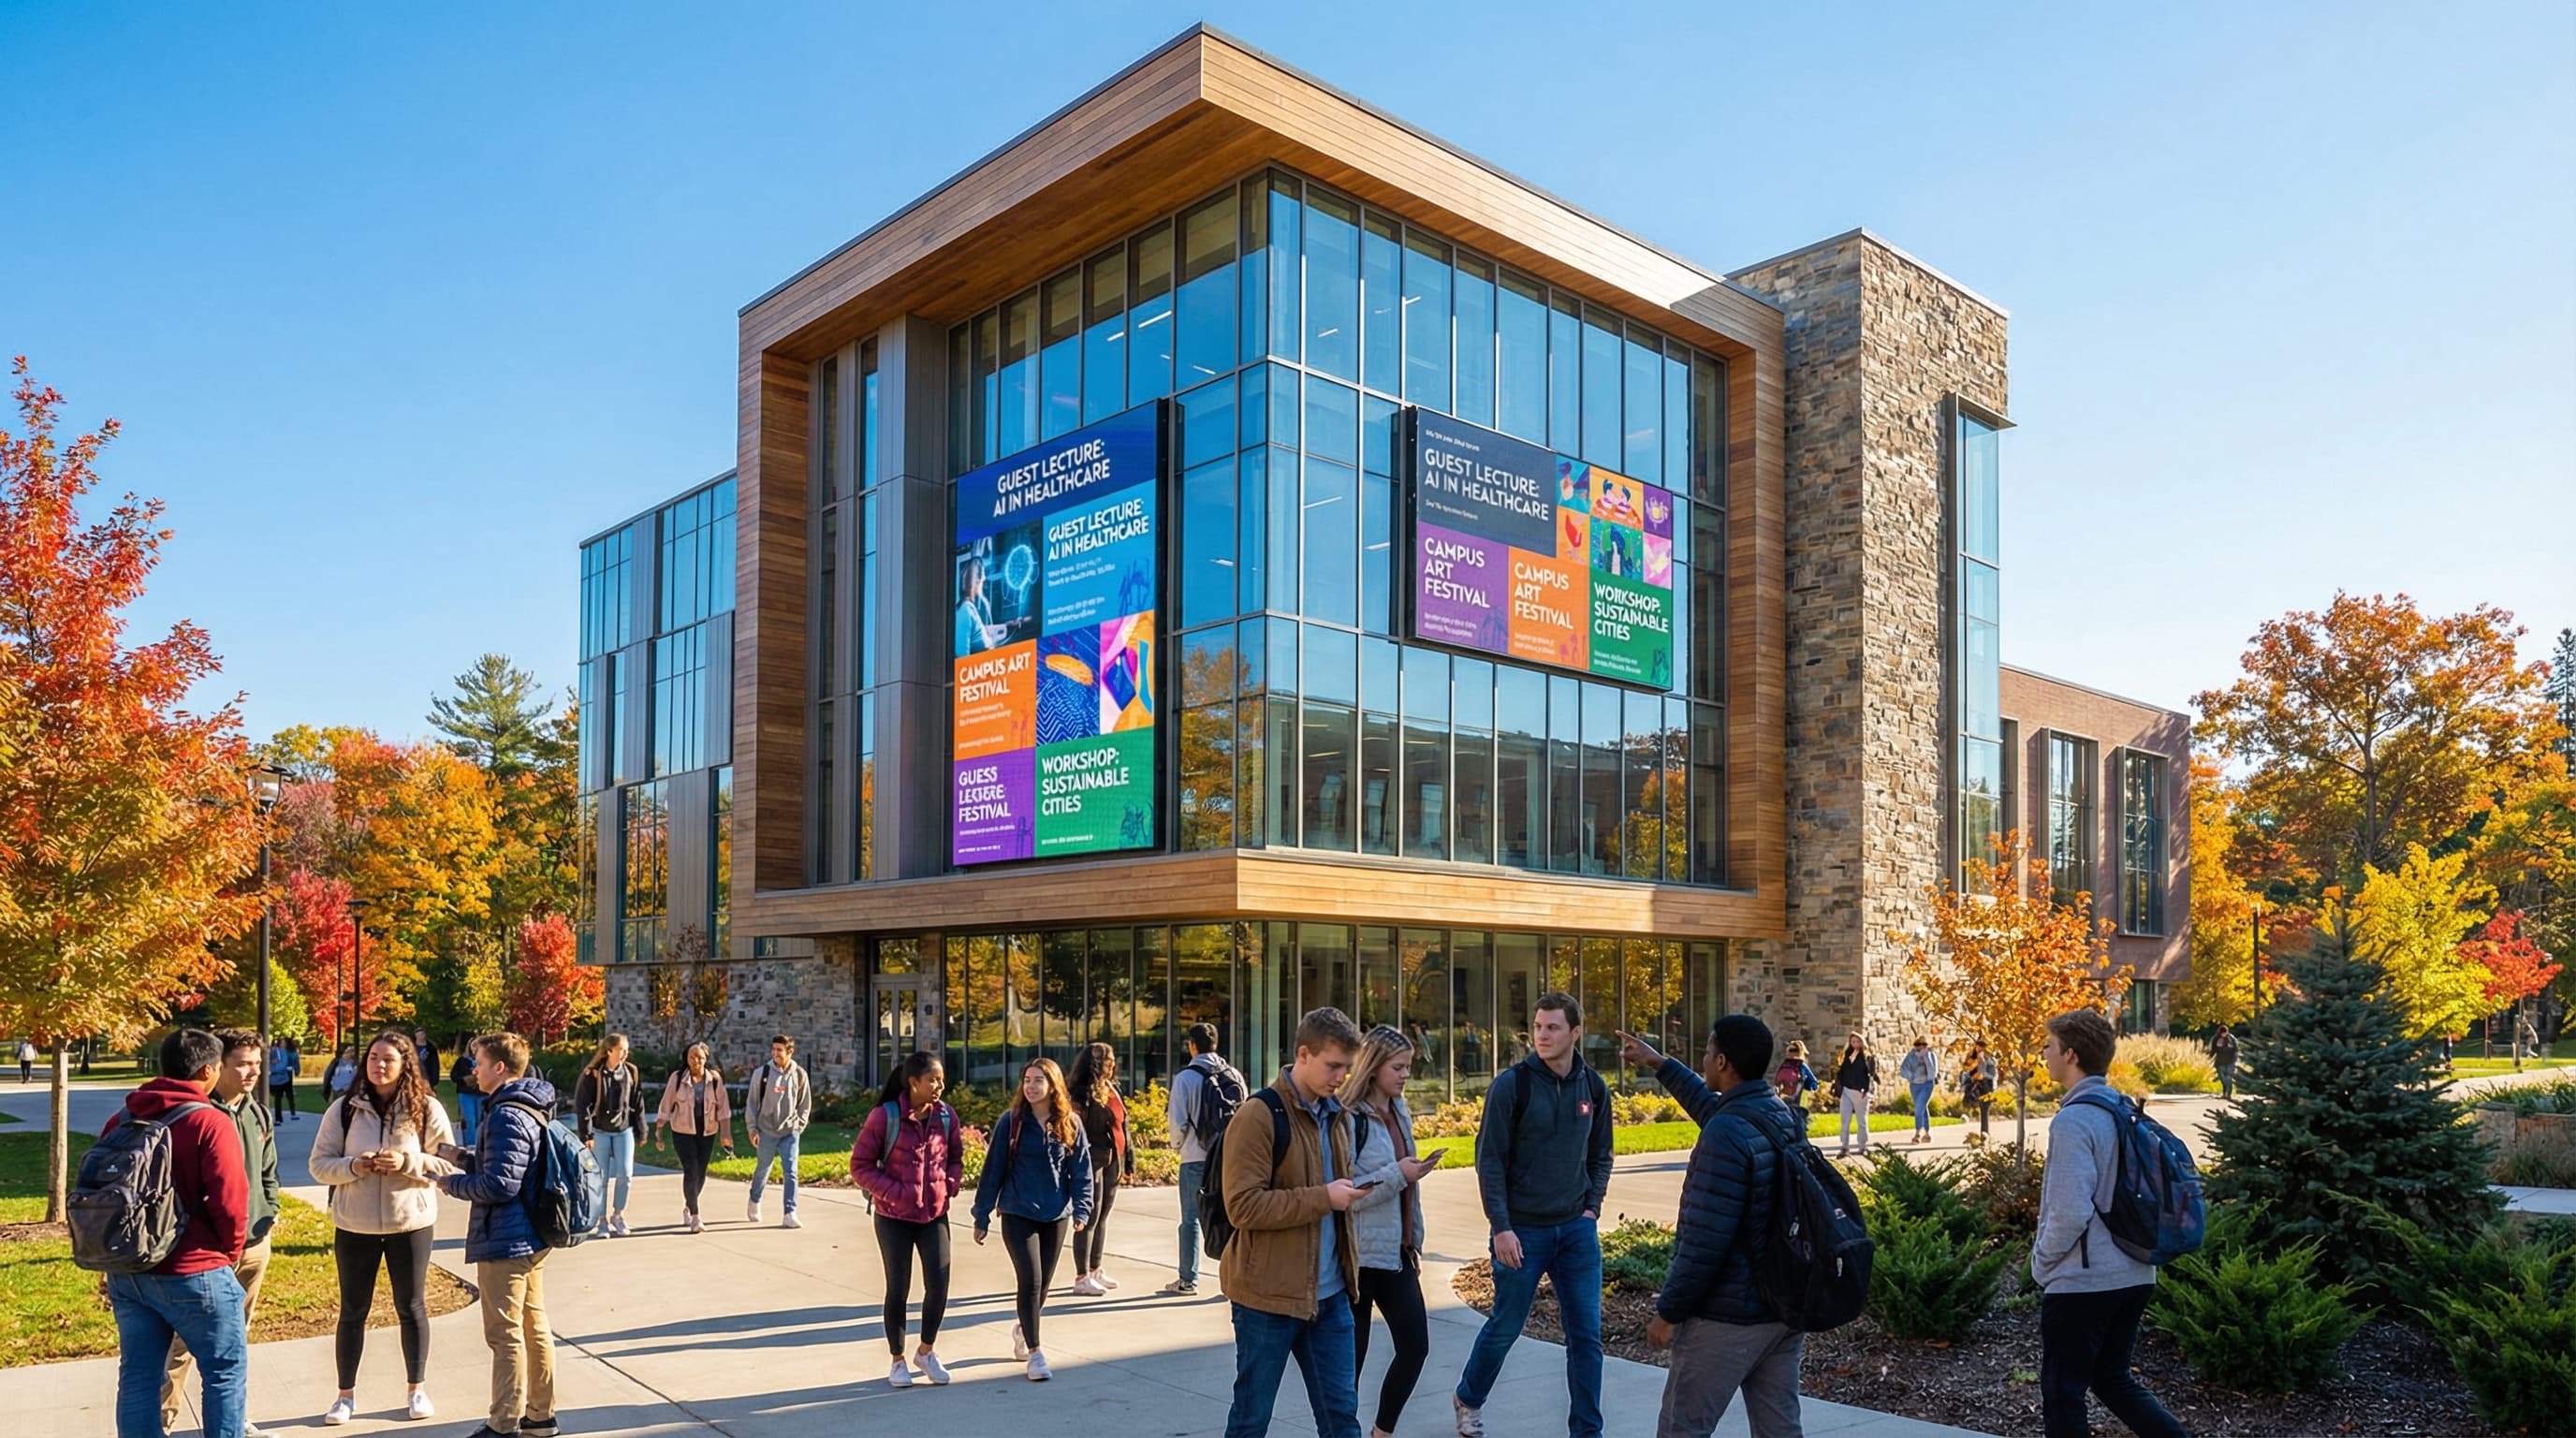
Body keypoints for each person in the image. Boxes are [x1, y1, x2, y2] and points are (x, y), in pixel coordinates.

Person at [1617, 1019, 1807, 1438]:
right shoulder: (1777, 1114)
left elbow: (1704, 1242)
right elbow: (1713, 1110)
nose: (1703, 1059)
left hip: (1729, 1316)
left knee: (1682, 1429)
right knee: (1779, 1430)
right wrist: (1660, 1063)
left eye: (1707, 1052)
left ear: (1722, 1062)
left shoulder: (1726, 1134)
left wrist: (1668, 1313)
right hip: (1782, 1308)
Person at [1455, 992, 1615, 1438]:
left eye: (1553, 1028)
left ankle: (1587, 1431)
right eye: (1538, 1027)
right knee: (1506, 1325)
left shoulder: (1593, 1087)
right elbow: (1489, 1161)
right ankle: (1468, 1397)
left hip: (1576, 1231)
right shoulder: (1513, 1085)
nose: (1542, 1035)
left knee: (1586, 1337)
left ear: (1575, 1032)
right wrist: (1501, 1227)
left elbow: (1601, 1154)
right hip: (1523, 1231)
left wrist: (1592, 1209)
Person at [2033, 1010, 2190, 1438]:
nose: (2044, 1054)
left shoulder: (2074, 1120)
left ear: (2070, 1054)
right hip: (2135, 1272)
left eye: (2049, 1046)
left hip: (2083, 1282)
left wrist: (2042, 1265)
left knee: (2063, 1393)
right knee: (2112, 1379)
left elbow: (2069, 1211)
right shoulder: (2122, 1108)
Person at [1221, 1006, 1366, 1438]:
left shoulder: (1336, 1115)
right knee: (1251, 1420)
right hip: (1267, 1299)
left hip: (1331, 1296)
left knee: (1342, 1420)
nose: (1341, 1077)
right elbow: (1242, 1207)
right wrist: (1324, 1198)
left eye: (1346, 1067)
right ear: (1303, 1054)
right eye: (1332, 1065)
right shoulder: (1260, 1114)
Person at [103, 1029, 250, 1438]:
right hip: (194, 1267)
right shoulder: (209, 1121)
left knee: (138, 1377)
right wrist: (229, 1253)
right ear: (207, 1071)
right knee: (223, 1371)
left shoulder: (122, 1119)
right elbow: (230, 1201)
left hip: (130, 1270)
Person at [310, 1028, 457, 1424]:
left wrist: (408, 1163)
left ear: (405, 1064)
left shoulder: (426, 1108)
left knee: (411, 1307)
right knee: (352, 1310)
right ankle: (344, 1396)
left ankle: (416, 1389)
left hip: (410, 1223)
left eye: (388, 1059)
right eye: (373, 1057)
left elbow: (449, 1165)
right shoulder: (344, 1109)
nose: (379, 1065)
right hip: (354, 1225)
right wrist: (354, 1166)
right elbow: (319, 1165)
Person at [435, 1032, 562, 1438]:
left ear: (500, 1067)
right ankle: (540, 1417)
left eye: (480, 1062)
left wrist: (450, 1183)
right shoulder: (527, 1106)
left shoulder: (506, 1114)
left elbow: (500, 1186)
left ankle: (503, 1424)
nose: (474, 1070)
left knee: (504, 1334)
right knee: (532, 1325)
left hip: (507, 1239)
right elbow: (508, 1167)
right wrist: (460, 1158)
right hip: (530, 1235)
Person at [159, 1030, 282, 1438]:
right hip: (205, 1254)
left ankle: (233, 1420)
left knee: (235, 1343)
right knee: (179, 1344)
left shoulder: (258, 1113)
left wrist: (270, 1210)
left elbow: (268, 1172)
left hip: (253, 1245)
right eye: (242, 1064)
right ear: (215, 1067)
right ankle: (162, 1422)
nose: (253, 1072)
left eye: (257, 1063)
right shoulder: (195, 1113)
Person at [1342, 1025, 1444, 1438]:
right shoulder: (1350, 1118)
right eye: (1398, 1067)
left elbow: (1408, 1189)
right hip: (1359, 1258)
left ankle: (1381, 1432)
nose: (1405, 1075)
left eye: (1408, 1067)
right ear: (1373, 1066)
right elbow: (1347, 1193)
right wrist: (1399, 1174)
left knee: (1415, 1347)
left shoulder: (1400, 1112)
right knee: (1350, 1363)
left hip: (1397, 1254)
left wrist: (1414, 1240)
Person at [971, 1057, 1094, 1382]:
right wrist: (981, 1214)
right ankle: (1036, 1353)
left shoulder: (1070, 1123)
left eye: (1039, 1080)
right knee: (1031, 1279)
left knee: (1044, 1284)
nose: (1031, 1086)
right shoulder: (1010, 1122)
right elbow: (993, 1170)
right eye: (1027, 1080)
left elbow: (1081, 1170)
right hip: (1017, 1210)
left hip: (1056, 1214)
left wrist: (1082, 1209)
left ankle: (1023, 1329)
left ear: (1053, 1086)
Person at [851, 1051, 965, 1389]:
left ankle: (926, 1352)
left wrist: (950, 1184)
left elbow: (956, 1157)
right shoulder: (885, 1116)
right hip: (894, 1217)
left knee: (939, 1285)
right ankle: (897, 1360)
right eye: (932, 1080)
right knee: (898, 1288)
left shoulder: (946, 1116)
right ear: (913, 1082)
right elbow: (860, 1165)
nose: (939, 1086)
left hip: (934, 1215)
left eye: (941, 1079)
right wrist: (895, 1193)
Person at [1164, 1021, 1244, 1296]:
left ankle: (1188, 1279)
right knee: (1232, 1215)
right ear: (1216, 1044)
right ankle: (1234, 1280)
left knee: (1191, 1219)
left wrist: (1178, 1145)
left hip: (1195, 1157)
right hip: (1229, 1156)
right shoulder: (1233, 1074)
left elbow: (1178, 1123)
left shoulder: (1185, 1078)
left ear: (1192, 1046)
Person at [1068, 1041, 1135, 1295]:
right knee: (1089, 1216)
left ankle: (1095, 1268)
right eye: (1108, 1061)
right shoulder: (1080, 1093)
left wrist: (1129, 1162)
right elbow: (1075, 1130)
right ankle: (1081, 1276)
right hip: (1092, 1161)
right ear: (1096, 1064)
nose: (1113, 1065)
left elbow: (1123, 1126)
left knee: (1103, 1215)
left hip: (1112, 1159)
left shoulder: (1111, 1088)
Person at [651, 1042, 734, 1232]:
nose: (696, 1061)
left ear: (706, 1059)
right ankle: (696, 1217)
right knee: (691, 1170)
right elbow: (666, 1105)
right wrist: (659, 1131)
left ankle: (689, 1205)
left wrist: (726, 1133)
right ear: (686, 1059)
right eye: (692, 1057)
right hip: (682, 1131)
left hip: (707, 1131)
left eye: (700, 1057)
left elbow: (723, 1108)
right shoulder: (677, 1078)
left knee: (701, 1173)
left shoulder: (714, 1079)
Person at [573, 1034, 646, 1238]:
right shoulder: (593, 1074)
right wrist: (586, 1134)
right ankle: (601, 1220)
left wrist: (642, 1129)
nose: (625, 1054)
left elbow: (637, 1101)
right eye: (621, 1050)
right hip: (600, 1131)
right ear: (609, 1050)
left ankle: (618, 1214)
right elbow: (582, 1106)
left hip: (624, 1130)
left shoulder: (631, 1071)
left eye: (626, 1050)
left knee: (625, 1173)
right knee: (601, 1177)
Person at [744, 1034, 812, 1228]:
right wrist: (752, 1128)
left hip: (790, 1131)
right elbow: (752, 1103)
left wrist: (799, 1125)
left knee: (791, 1171)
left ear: (790, 1052)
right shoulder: (761, 1074)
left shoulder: (799, 1074)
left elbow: (805, 1103)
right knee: (763, 1168)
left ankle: (790, 1212)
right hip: (766, 1130)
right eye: (773, 1049)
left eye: (779, 1050)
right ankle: (755, 1199)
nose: (775, 1053)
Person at [1830, 1033, 1881, 1158]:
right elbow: (1842, 1072)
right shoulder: (1847, 1055)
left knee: (1861, 1120)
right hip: (1847, 1091)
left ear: (1862, 1043)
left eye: (1858, 1042)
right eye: (1853, 1042)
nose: (1856, 1044)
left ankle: (1862, 1146)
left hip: (1861, 1092)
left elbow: (1870, 1075)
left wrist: (1865, 1089)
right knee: (1845, 1120)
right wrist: (1837, 1086)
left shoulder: (1868, 1057)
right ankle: (1844, 1147)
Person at [1900, 1036, 1941, 1145]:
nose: (1921, 1047)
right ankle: (1927, 1133)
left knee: (1919, 1108)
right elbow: (1903, 1069)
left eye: (1924, 1045)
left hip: (1927, 1084)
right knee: (1922, 1107)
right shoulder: (1911, 1055)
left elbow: (1933, 1072)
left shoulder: (1931, 1055)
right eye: (1918, 1045)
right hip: (1915, 1085)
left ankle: (1917, 1133)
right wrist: (1911, 1076)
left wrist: (1926, 1059)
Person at [1770, 1040, 1818, 1122]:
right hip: (1796, 1098)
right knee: (1798, 1118)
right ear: (1800, 1052)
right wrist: (1811, 1086)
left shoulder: (1784, 1064)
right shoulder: (1801, 1065)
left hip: (1783, 1097)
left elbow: (1777, 1081)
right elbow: (1813, 1081)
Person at [1961, 1043, 1998, 1142]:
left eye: (1980, 1048)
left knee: (1984, 1111)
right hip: (1979, 1087)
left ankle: (1984, 1135)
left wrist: (1982, 1070)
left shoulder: (1990, 1062)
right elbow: (1968, 1071)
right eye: (1977, 1048)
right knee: (1983, 1111)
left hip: (1988, 1088)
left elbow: (1992, 1075)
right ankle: (1984, 1135)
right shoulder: (1976, 1060)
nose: (1978, 1050)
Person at [452, 1047, 485, 1145]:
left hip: (482, 1093)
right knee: (470, 1120)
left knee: (481, 1120)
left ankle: (481, 1145)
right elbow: (454, 1076)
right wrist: (464, 1079)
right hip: (466, 1093)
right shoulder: (462, 1061)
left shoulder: (487, 1060)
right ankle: (471, 1145)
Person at [268, 1038, 301, 1123]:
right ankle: (279, 1117)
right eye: (281, 1043)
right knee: (278, 1097)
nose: (282, 1044)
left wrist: (296, 1070)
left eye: (284, 1043)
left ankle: (292, 1113)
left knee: (289, 1095)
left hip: (286, 1075)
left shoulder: (287, 1053)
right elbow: (269, 1063)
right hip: (280, 1077)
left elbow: (293, 1061)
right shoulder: (275, 1052)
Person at [324, 1043, 360, 1108]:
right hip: (336, 1090)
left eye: (352, 1051)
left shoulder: (354, 1064)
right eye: (349, 1051)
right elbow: (328, 1075)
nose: (351, 1053)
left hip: (348, 1091)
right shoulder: (336, 1063)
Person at [2209, 1024, 2239, 1101]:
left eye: (2225, 1033)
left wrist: (2235, 1060)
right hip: (2220, 1061)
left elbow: (2236, 1049)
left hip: (2230, 1061)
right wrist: (2210, 1057)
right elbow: (2213, 1049)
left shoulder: (2231, 1038)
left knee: (2228, 1077)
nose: (2224, 1035)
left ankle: (2228, 1094)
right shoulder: (2216, 1038)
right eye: (2222, 1033)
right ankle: (2224, 1092)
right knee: (2222, 1078)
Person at [413, 1029, 441, 1095]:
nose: (421, 1036)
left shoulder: (431, 1048)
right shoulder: (411, 1047)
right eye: (419, 1035)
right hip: (414, 1074)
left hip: (428, 1076)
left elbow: (435, 1065)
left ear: (425, 1035)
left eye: (422, 1034)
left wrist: (435, 1080)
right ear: (416, 1036)